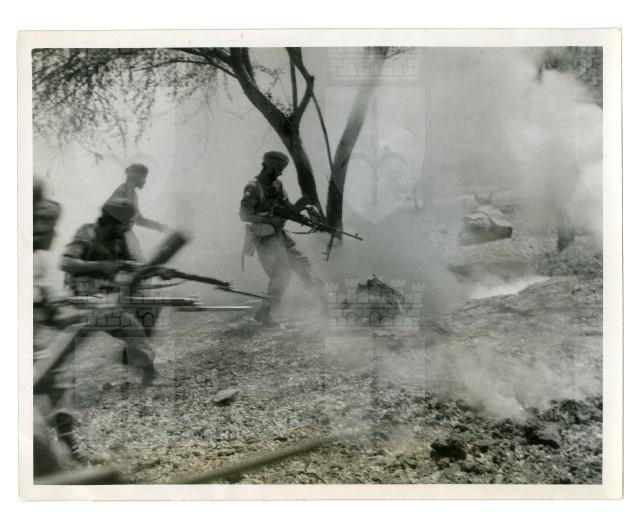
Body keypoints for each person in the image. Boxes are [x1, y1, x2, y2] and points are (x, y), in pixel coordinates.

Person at [60, 196, 160, 385]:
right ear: (111, 221)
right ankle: (149, 372)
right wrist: (100, 265)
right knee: (130, 326)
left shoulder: (118, 239)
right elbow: (66, 263)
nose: (127, 228)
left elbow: (131, 264)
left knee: (148, 308)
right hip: (82, 298)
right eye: (124, 224)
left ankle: (136, 359)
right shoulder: (87, 233)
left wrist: (149, 270)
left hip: (106, 296)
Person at [239, 151, 326, 325]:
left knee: (304, 266)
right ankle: (264, 313)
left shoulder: (277, 185)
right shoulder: (253, 187)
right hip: (265, 239)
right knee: (281, 276)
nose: (280, 173)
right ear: (268, 168)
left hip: (280, 235)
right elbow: (244, 214)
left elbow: (286, 206)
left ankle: (325, 306)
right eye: (278, 170)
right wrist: (269, 218)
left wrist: (300, 213)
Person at [33, 180, 83, 473]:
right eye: (49, 226)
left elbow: (53, 309)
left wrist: (84, 312)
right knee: (34, 441)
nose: (54, 233)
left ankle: (69, 443)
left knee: (61, 375)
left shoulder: (37, 261)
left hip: (26, 350)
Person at [107, 163, 167, 260]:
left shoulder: (132, 194)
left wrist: (159, 226)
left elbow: (138, 220)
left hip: (123, 237)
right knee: (138, 262)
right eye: (144, 177)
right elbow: (110, 215)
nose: (145, 181)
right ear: (136, 177)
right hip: (116, 238)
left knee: (138, 261)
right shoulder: (121, 191)